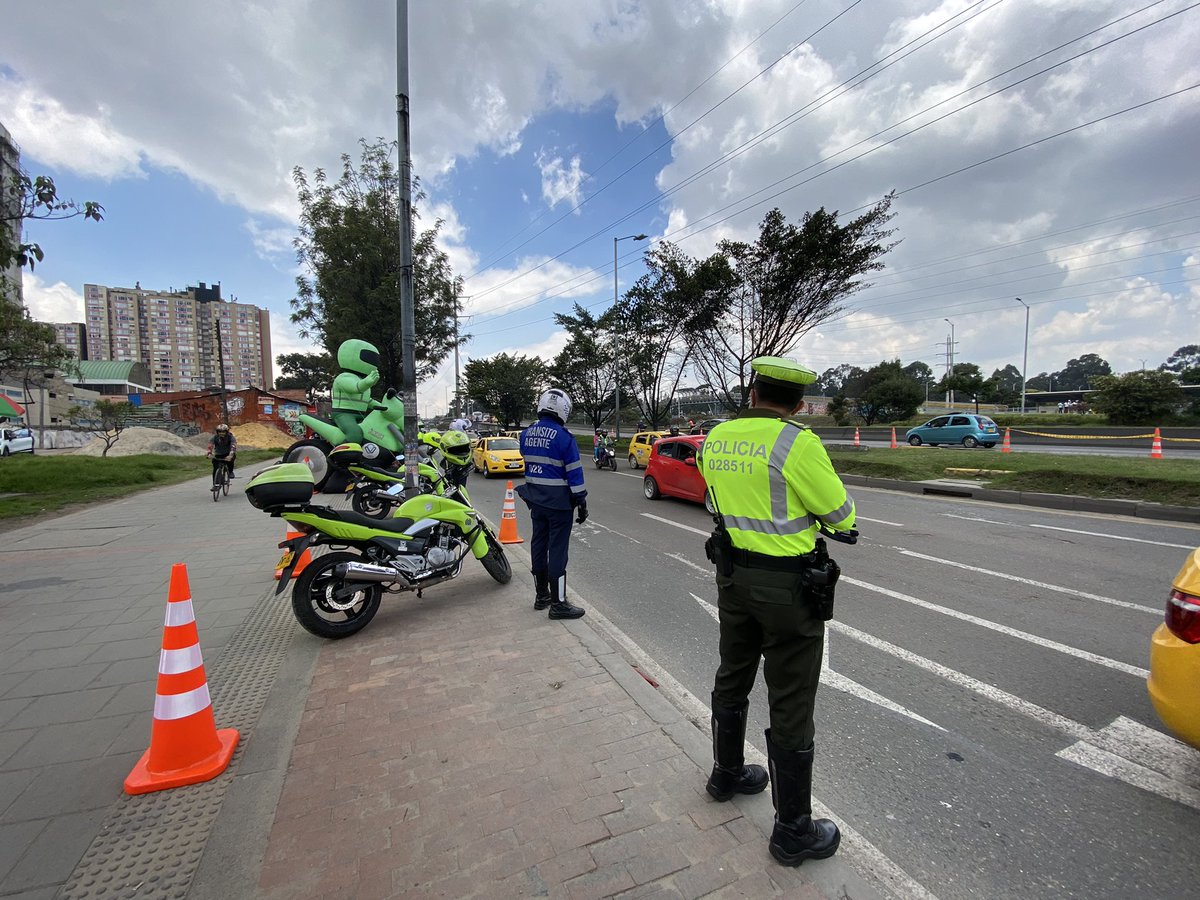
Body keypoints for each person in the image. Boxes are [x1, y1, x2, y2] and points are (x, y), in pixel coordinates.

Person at [697, 356, 856, 867]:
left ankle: (725, 775)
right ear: (799, 405)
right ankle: (792, 830)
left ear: (753, 394)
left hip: (732, 578)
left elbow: (715, 499)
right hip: (786, 590)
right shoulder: (797, 443)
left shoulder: (716, 437)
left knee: (733, 672)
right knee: (791, 699)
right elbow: (841, 515)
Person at [517, 388, 587, 619]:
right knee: (557, 551)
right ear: (563, 409)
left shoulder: (526, 435)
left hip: (536, 501)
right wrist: (582, 502)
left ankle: (541, 596)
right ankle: (559, 604)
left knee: (538, 544)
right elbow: (575, 475)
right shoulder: (564, 438)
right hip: (559, 505)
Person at [331, 339, 382, 444]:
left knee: (375, 430)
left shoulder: (363, 381)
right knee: (355, 433)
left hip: (361, 414)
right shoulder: (343, 377)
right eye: (368, 357)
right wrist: (367, 383)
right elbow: (355, 388)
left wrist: (383, 407)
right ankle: (341, 452)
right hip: (344, 414)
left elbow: (368, 400)